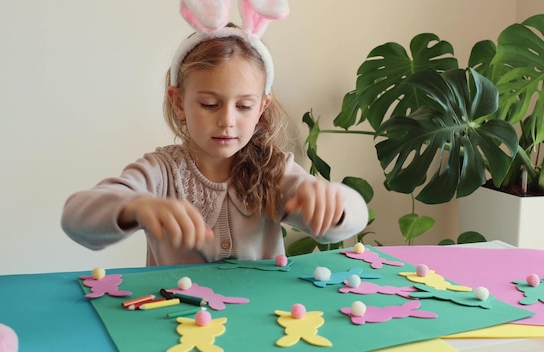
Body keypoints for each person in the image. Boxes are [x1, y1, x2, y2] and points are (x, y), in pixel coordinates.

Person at [61, 0, 368, 266]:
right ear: (179, 102)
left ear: (262, 106)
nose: (227, 121)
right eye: (209, 104)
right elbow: (75, 219)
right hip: (172, 325)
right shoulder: (160, 172)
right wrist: (134, 207)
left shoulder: (274, 171)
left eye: (244, 106)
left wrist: (333, 203)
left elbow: (353, 218)